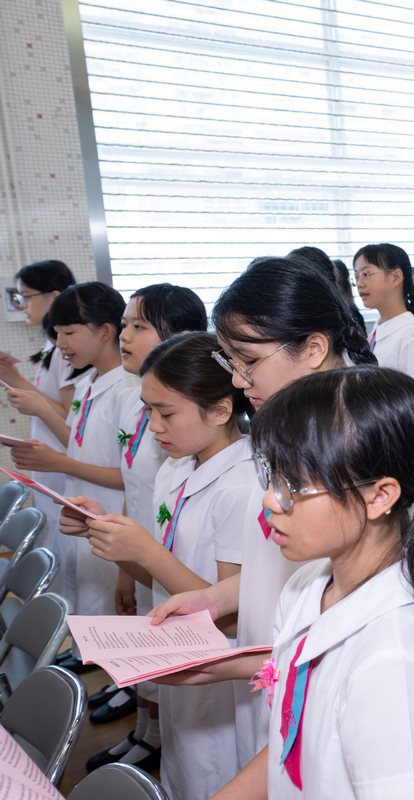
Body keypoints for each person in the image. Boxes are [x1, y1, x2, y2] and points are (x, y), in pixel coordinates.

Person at [153, 256, 377, 770]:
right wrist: (217, 598)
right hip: (274, 658)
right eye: (230, 361)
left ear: (313, 348)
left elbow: (352, 619)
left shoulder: (356, 442)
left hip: (320, 679)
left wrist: (241, 663)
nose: (237, 380)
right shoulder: (291, 425)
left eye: (248, 361)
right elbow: (283, 566)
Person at [209, 368, 414, 798]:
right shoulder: (308, 585)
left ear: (379, 496)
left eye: (294, 484)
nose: (270, 499)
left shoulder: (393, 661)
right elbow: (294, 740)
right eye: (272, 476)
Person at [74, 332, 255, 800]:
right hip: (178, 658)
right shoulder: (175, 468)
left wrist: (146, 552)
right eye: (148, 410)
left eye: (166, 413)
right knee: (181, 770)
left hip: (221, 675)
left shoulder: (243, 486)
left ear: (221, 409)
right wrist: (115, 540)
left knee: (214, 777)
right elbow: (166, 577)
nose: (154, 426)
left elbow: (232, 614)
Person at [83, 284, 207, 774]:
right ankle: (145, 733)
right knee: (150, 665)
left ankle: (150, 738)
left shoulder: (182, 427)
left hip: (170, 564)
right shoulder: (143, 403)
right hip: (146, 555)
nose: (125, 335)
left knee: (168, 672)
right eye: (125, 324)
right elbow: (138, 490)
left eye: (139, 326)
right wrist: (127, 566)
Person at [10, 282, 138, 623]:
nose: (60, 343)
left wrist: (60, 463)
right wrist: (54, 459)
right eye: (57, 333)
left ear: (105, 331)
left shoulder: (128, 390)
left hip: (111, 518)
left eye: (69, 332)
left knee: (111, 616)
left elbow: (130, 476)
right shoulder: (86, 383)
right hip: (85, 521)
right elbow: (84, 445)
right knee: (85, 609)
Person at [0, 260, 80, 588]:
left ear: (55, 296)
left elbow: (72, 417)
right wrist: (11, 377)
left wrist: (16, 381)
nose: (21, 304)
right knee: (55, 556)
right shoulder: (53, 345)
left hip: (64, 463)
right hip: (51, 464)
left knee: (67, 563)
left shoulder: (68, 351)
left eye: (26, 296)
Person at [354, 243, 414, 378]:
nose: (359, 283)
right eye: (356, 276)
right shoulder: (379, 327)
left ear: (395, 277)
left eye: (366, 274)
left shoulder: (411, 336)